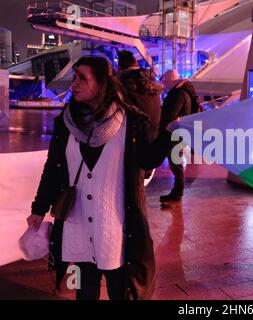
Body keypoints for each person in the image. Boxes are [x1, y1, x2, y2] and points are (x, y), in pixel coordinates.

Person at [26, 56, 169, 300]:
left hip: (116, 230)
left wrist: (171, 135)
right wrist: (38, 209)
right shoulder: (66, 122)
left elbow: (148, 160)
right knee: (84, 290)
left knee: (120, 292)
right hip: (77, 226)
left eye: (82, 78)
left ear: (102, 83)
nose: (74, 84)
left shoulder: (131, 123)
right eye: (74, 78)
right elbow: (54, 169)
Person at [117, 50, 164, 186]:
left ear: (120, 68)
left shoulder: (123, 87)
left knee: (129, 197)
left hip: (132, 151)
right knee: (137, 193)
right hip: (150, 148)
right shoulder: (152, 86)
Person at [158, 69, 197, 204]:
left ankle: (177, 193)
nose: (163, 84)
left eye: (164, 81)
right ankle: (176, 192)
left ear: (170, 79)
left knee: (176, 164)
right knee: (176, 163)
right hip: (180, 133)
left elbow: (170, 114)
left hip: (175, 134)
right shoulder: (183, 92)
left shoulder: (177, 94)